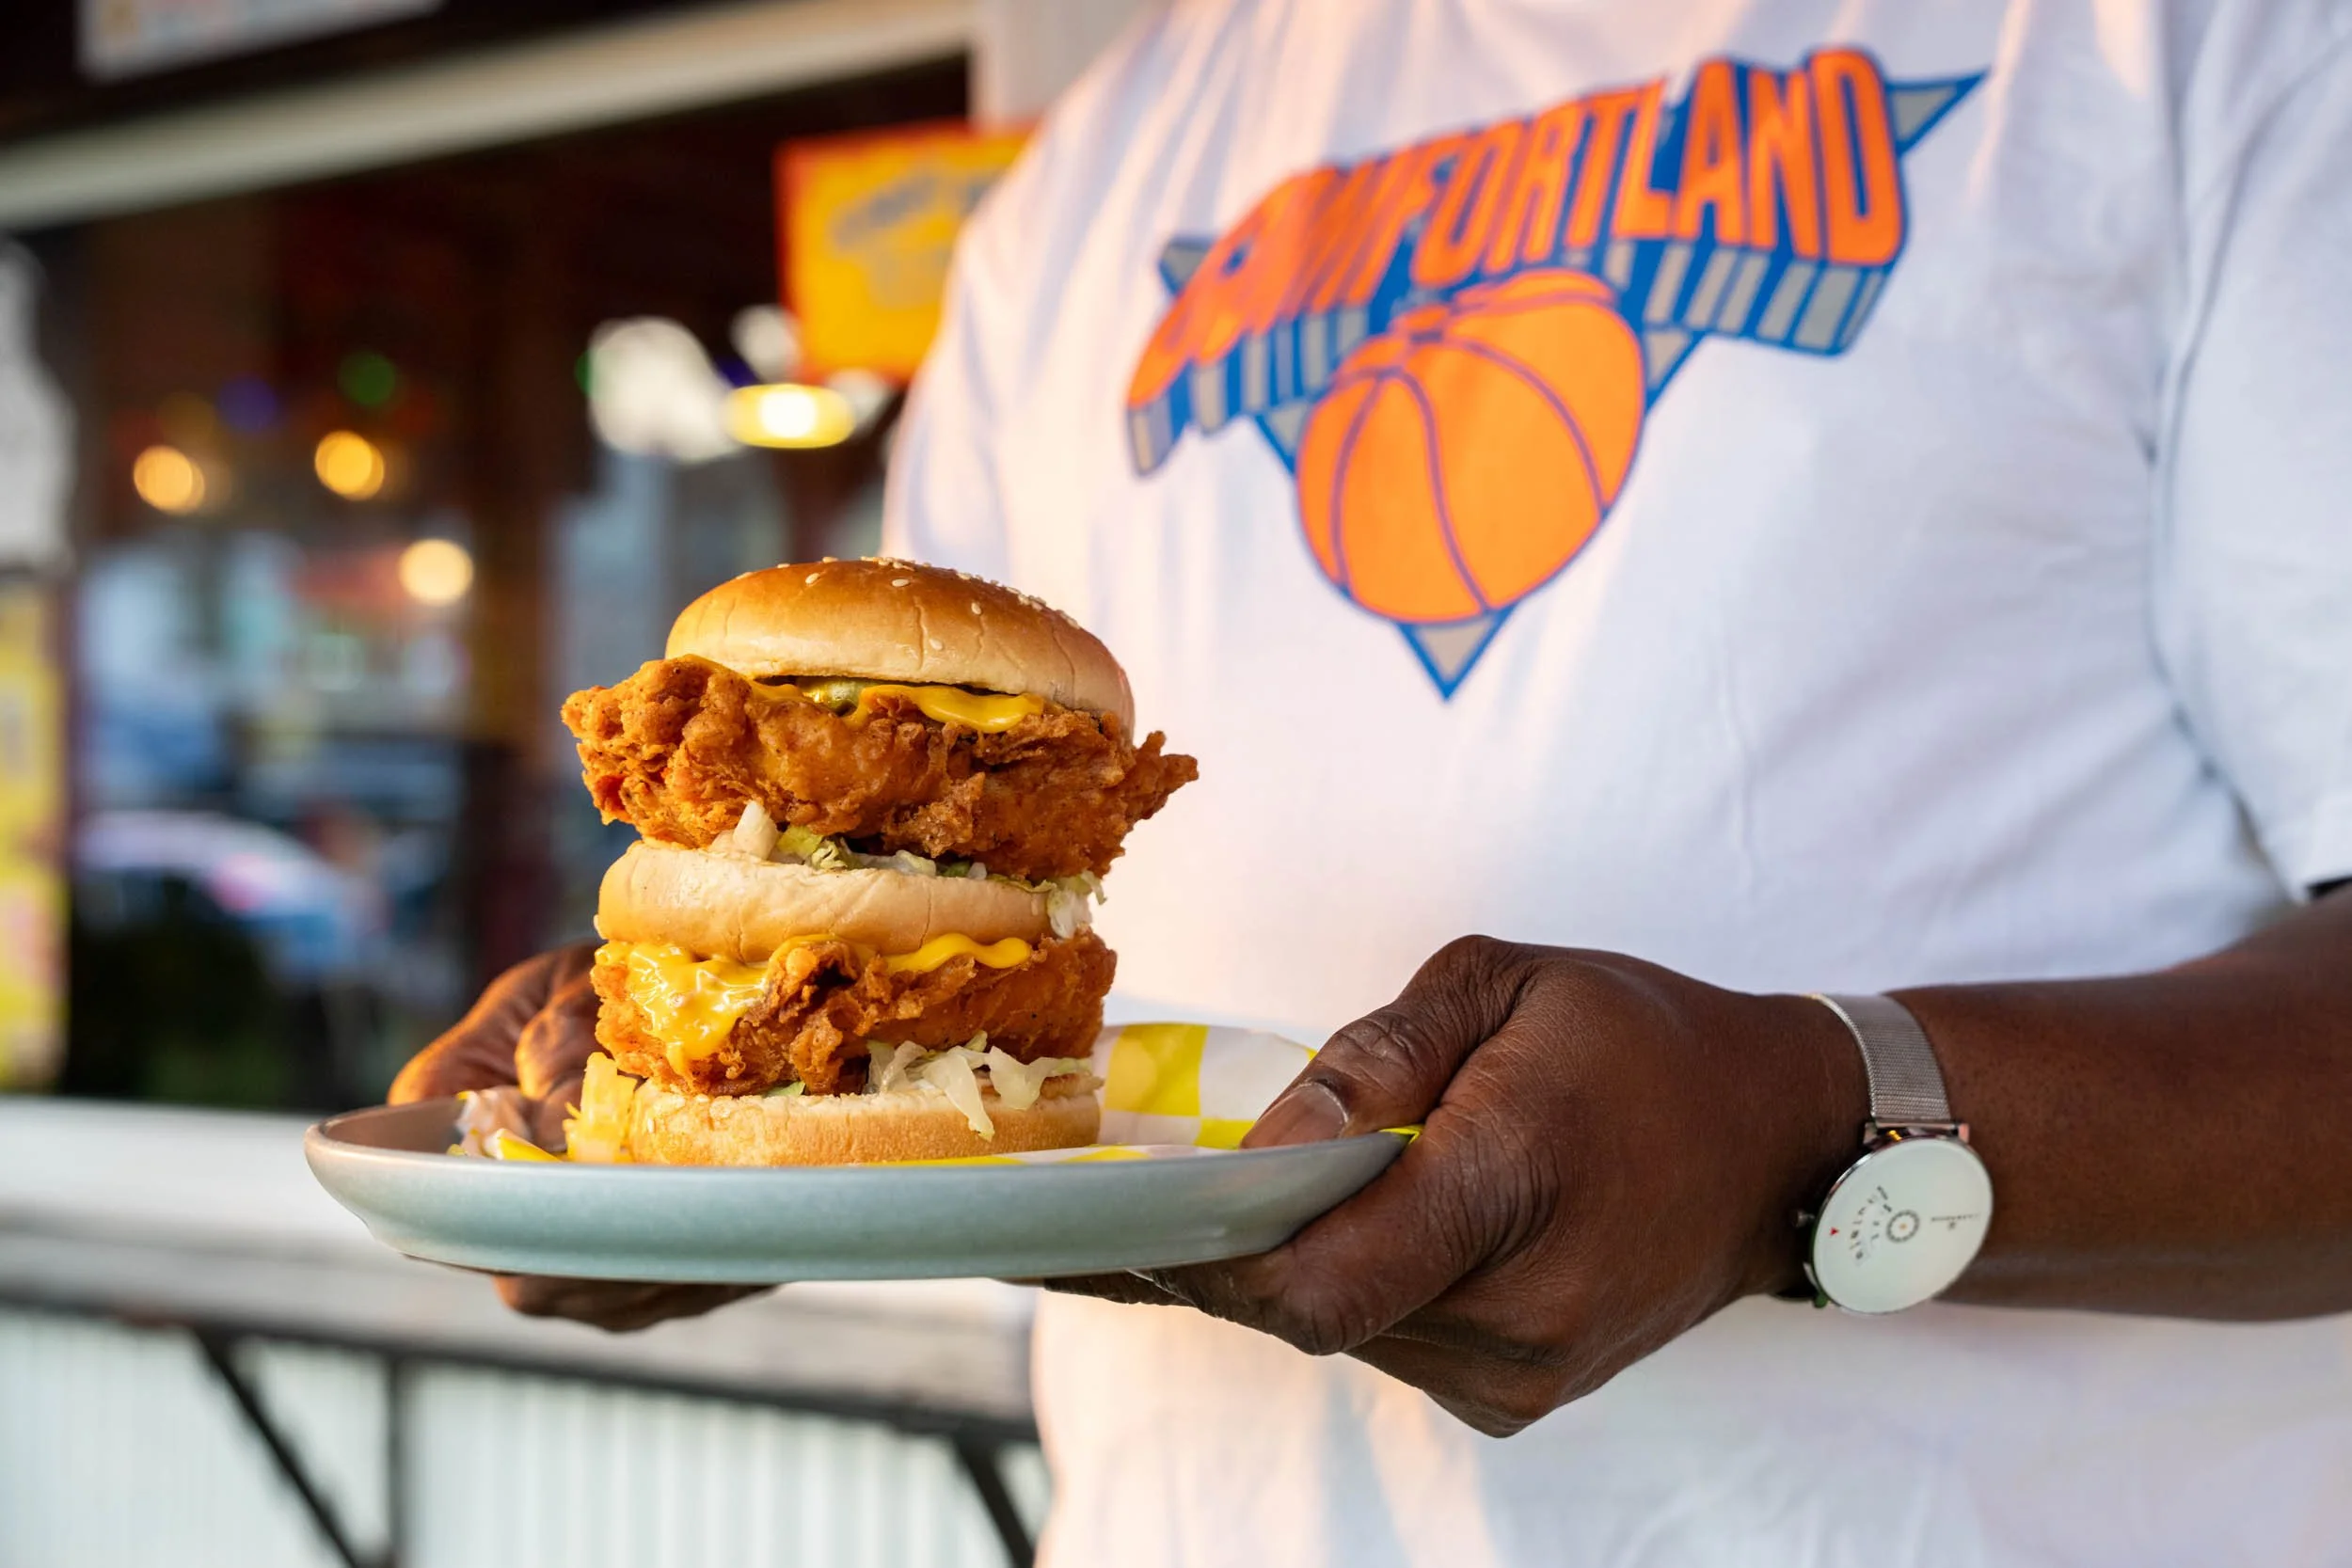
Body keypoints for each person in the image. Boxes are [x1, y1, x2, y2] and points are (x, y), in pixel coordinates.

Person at [395, 0, 2352, 1560]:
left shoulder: (2192, 42)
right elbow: (910, 914)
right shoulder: (1095, 167)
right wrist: (709, 1093)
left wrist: (1808, 1128)